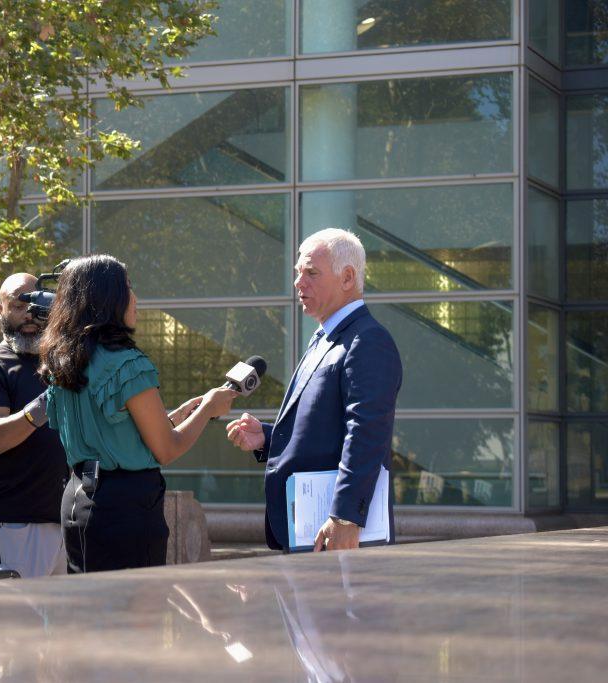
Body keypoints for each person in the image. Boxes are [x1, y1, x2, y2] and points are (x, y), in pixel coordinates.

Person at [40, 254, 236, 573]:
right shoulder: (127, 363)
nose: (135, 298)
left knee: (89, 614)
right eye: (127, 287)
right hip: (126, 506)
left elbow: (114, 435)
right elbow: (166, 449)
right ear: (108, 298)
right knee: (137, 617)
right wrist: (209, 409)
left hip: (77, 500)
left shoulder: (61, 364)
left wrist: (179, 415)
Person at [226, 228, 402, 552]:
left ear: (348, 278)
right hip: (305, 532)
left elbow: (366, 431)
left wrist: (346, 517)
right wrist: (267, 436)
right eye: (298, 273)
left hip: (336, 535)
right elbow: (323, 427)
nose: (299, 283)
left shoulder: (368, 341)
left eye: (311, 273)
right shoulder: (326, 337)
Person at [0, 273, 69, 581]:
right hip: (10, 527)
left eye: (36, 303)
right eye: (18, 304)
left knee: (65, 630)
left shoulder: (60, 363)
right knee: (6, 628)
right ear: (0, 310)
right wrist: (44, 403)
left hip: (63, 523)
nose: (29, 314)